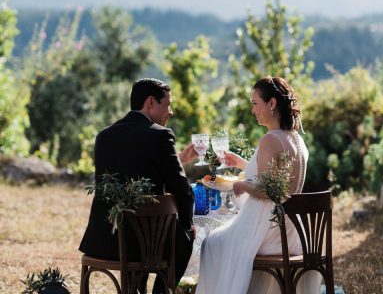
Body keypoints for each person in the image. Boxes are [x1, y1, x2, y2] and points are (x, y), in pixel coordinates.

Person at [196, 76, 322, 294]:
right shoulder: (296, 139)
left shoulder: (270, 140)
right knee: (218, 239)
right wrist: (243, 163)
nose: (253, 110)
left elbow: (266, 191)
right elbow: (276, 179)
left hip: (270, 232)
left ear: (272, 103)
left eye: (255, 103)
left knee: (211, 245)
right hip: (292, 231)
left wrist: (243, 186)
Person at [79, 78, 197, 293]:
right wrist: (188, 225)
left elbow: (131, 170)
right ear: (151, 102)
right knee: (184, 240)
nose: (170, 111)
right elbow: (181, 188)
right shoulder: (161, 135)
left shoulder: (104, 136)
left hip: (105, 240)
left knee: (146, 230)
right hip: (144, 244)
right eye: (167, 104)